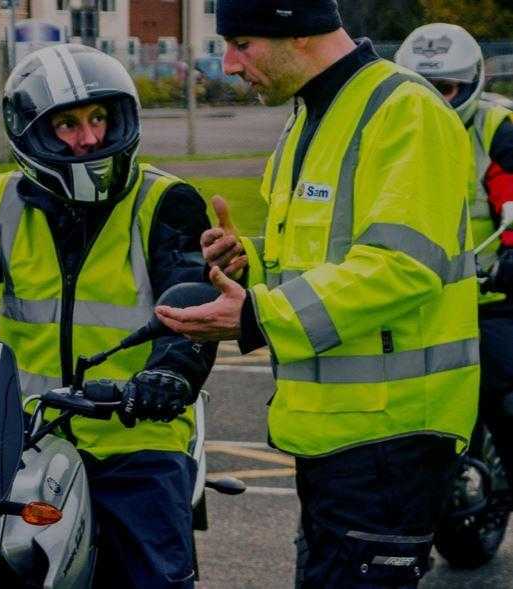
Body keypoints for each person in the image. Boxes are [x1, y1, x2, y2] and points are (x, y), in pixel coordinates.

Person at [155, 1, 479, 587]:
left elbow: (402, 267)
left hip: (389, 438)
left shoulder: (404, 109)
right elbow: (325, 260)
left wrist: (257, 313)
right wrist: (248, 263)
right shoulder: (310, 115)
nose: (228, 64)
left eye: (242, 43)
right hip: (335, 436)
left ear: (298, 34)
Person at [0, 44, 216, 588]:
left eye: (98, 119)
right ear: (31, 133)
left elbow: (192, 298)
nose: (89, 138)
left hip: (133, 437)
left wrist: (169, 375)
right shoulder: (0, 202)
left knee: (154, 576)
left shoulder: (165, 203)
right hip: (24, 440)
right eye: (67, 124)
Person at [396, 23, 513, 489]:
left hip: (489, 298)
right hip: (413, 301)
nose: (435, 101)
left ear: (470, 83)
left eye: (444, 89)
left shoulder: (496, 128)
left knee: (508, 395)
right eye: (423, 88)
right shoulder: (391, 130)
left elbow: (508, 192)